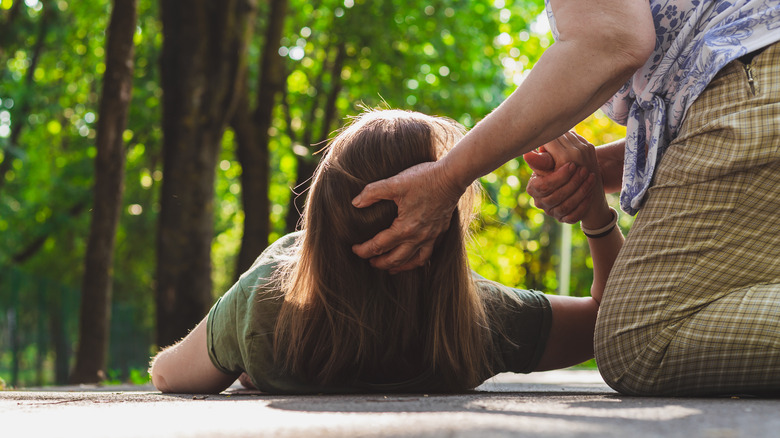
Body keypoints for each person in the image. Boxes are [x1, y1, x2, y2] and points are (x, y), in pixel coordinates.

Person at [351, 1, 780, 396]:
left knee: (641, 341)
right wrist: (596, 182)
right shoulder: (486, 322)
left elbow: (611, 40)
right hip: (752, 71)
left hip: (754, 74)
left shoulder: (282, 304)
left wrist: (448, 177)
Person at [148, 109, 621, 394]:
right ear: (442, 225)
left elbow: (168, 375)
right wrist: (596, 215)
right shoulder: (480, 320)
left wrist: (248, 352)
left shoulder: (266, 305)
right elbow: (612, 321)